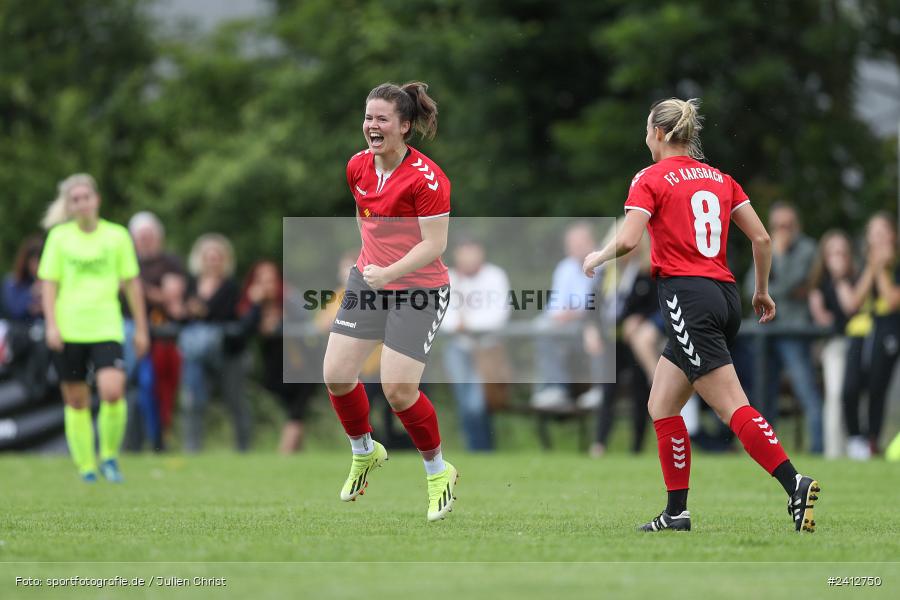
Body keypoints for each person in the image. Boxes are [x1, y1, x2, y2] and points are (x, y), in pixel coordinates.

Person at [583, 98, 820, 533]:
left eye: (647, 129)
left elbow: (630, 239)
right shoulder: (721, 178)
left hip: (687, 299)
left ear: (658, 133)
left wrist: (597, 256)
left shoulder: (649, 177)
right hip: (725, 297)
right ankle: (676, 512)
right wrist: (761, 291)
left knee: (732, 406)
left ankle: (794, 483)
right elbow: (762, 239)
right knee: (662, 403)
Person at [322, 81, 458, 522]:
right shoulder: (357, 166)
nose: (372, 126)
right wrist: (368, 268)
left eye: (382, 119)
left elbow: (434, 245)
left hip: (419, 289)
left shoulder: (428, 178)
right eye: (368, 118)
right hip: (371, 282)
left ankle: (438, 472)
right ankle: (364, 451)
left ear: (404, 126)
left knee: (398, 391)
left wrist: (389, 273)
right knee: (336, 375)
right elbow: (366, 222)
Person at [37, 173, 148, 482]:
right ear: (69, 206)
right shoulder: (59, 238)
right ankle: (86, 466)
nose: (82, 203)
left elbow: (132, 284)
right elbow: (49, 284)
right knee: (76, 400)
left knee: (113, 392)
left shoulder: (117, 236)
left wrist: (142, 328)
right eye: (75, 199)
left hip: (106, 326)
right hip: (70, 328)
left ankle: (109, 456)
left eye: (86, 197)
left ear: (96, 200)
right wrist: (52, 325)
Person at [745, 202, 824, 453]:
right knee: (763, 395)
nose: (783, 231)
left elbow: (792, 282)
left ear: (797, 225)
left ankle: (818, 448)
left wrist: (776, 257)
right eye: (778, 226)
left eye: (787, 226)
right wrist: (767, 289)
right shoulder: (763, 246)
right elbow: (748, 288)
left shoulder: (807, 248)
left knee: (805, 390)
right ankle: (766, 452)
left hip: (794, 331)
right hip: (766, 331)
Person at [177, 233, 251, 452]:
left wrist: (202, 311)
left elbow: (228, 314)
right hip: (197, 352)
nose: (213, 262)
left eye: (217, 257)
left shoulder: (231, 286)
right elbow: (184, 315)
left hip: (227, 352)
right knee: (193, 400)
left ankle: (243, 448)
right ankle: (192, 448)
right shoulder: (191, 284)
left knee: (235, 400)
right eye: (209, 258)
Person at [123, 211, 187, 451]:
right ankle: (131, 442)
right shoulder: (126, 262)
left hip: (161, 337)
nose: (146, 240)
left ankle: (158, 439)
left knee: (154, 387)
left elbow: (171, 298)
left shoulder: (169, 262)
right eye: (141, 236)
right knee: (131, 386)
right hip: (128, 330)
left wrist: (135, 287)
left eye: (149, 235)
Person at [441, 238, 511, 451]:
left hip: (486, 349)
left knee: (478, 402)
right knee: (465, 402)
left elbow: (499, 314)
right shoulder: (448, 278)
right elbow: (442, 314)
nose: (468, 257)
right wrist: (456, 325)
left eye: (472, 252)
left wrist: (469, 324)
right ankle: (475, 450)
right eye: (464, 252)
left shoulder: (495, 276)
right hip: (458, 347)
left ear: (481, 253)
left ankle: (483, 449)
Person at [238, 260, 315, 454]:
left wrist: (280, 321)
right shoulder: (252, 304)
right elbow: (245, 328)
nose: (267, 285)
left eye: (271, 280)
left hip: (304, 363)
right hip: (275, 368)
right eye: (262, 280)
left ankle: (285, 452)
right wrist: (256, 306)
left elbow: (306, 318)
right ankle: (296, 451)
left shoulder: (289, 297)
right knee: (293, 409)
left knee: (296, 411)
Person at [841, 213, 900, 459]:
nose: (877, 240)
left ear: (892, 236)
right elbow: (854, 302)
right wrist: (872, 267)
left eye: (882, 233)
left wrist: (881, 270)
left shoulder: (895, 267)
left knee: (878, 386)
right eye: (873, 234)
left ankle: (873, 438)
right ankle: (856, 438)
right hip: (862, 332)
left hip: (889, 330)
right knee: (850, 388)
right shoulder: (862, 265)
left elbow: (892, 300)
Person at [531, 222, 596, 410]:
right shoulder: (565, 267)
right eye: (572, 244)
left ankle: (600, 388)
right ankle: (554, 388)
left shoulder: (603, 263)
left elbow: (601, 303)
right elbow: (555, 305)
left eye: (580, 243)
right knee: (541, 326)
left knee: (594, 328)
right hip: (566, 325)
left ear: (591, 242)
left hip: (592, 323)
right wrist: (562, 314)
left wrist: (575, 312)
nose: (576, 248)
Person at [808, 230, 856, 458]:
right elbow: (823, 318)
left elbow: (851, 306)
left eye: (842, 253)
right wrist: (836, 280)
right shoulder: (820, 285)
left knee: (852, 396)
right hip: (835, 345)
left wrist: (842, 281)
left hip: (857, 343)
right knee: (835, 395)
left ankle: (855, 446)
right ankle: (834, 451)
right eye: (833, 253)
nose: (838, 259)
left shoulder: (856, 279)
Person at [3, 236, 45, 323]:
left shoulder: (48, 281)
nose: (38, 267)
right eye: (34, 262)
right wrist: (32, 292)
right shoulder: (13, 281)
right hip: (19, 328)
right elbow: (14, 310)